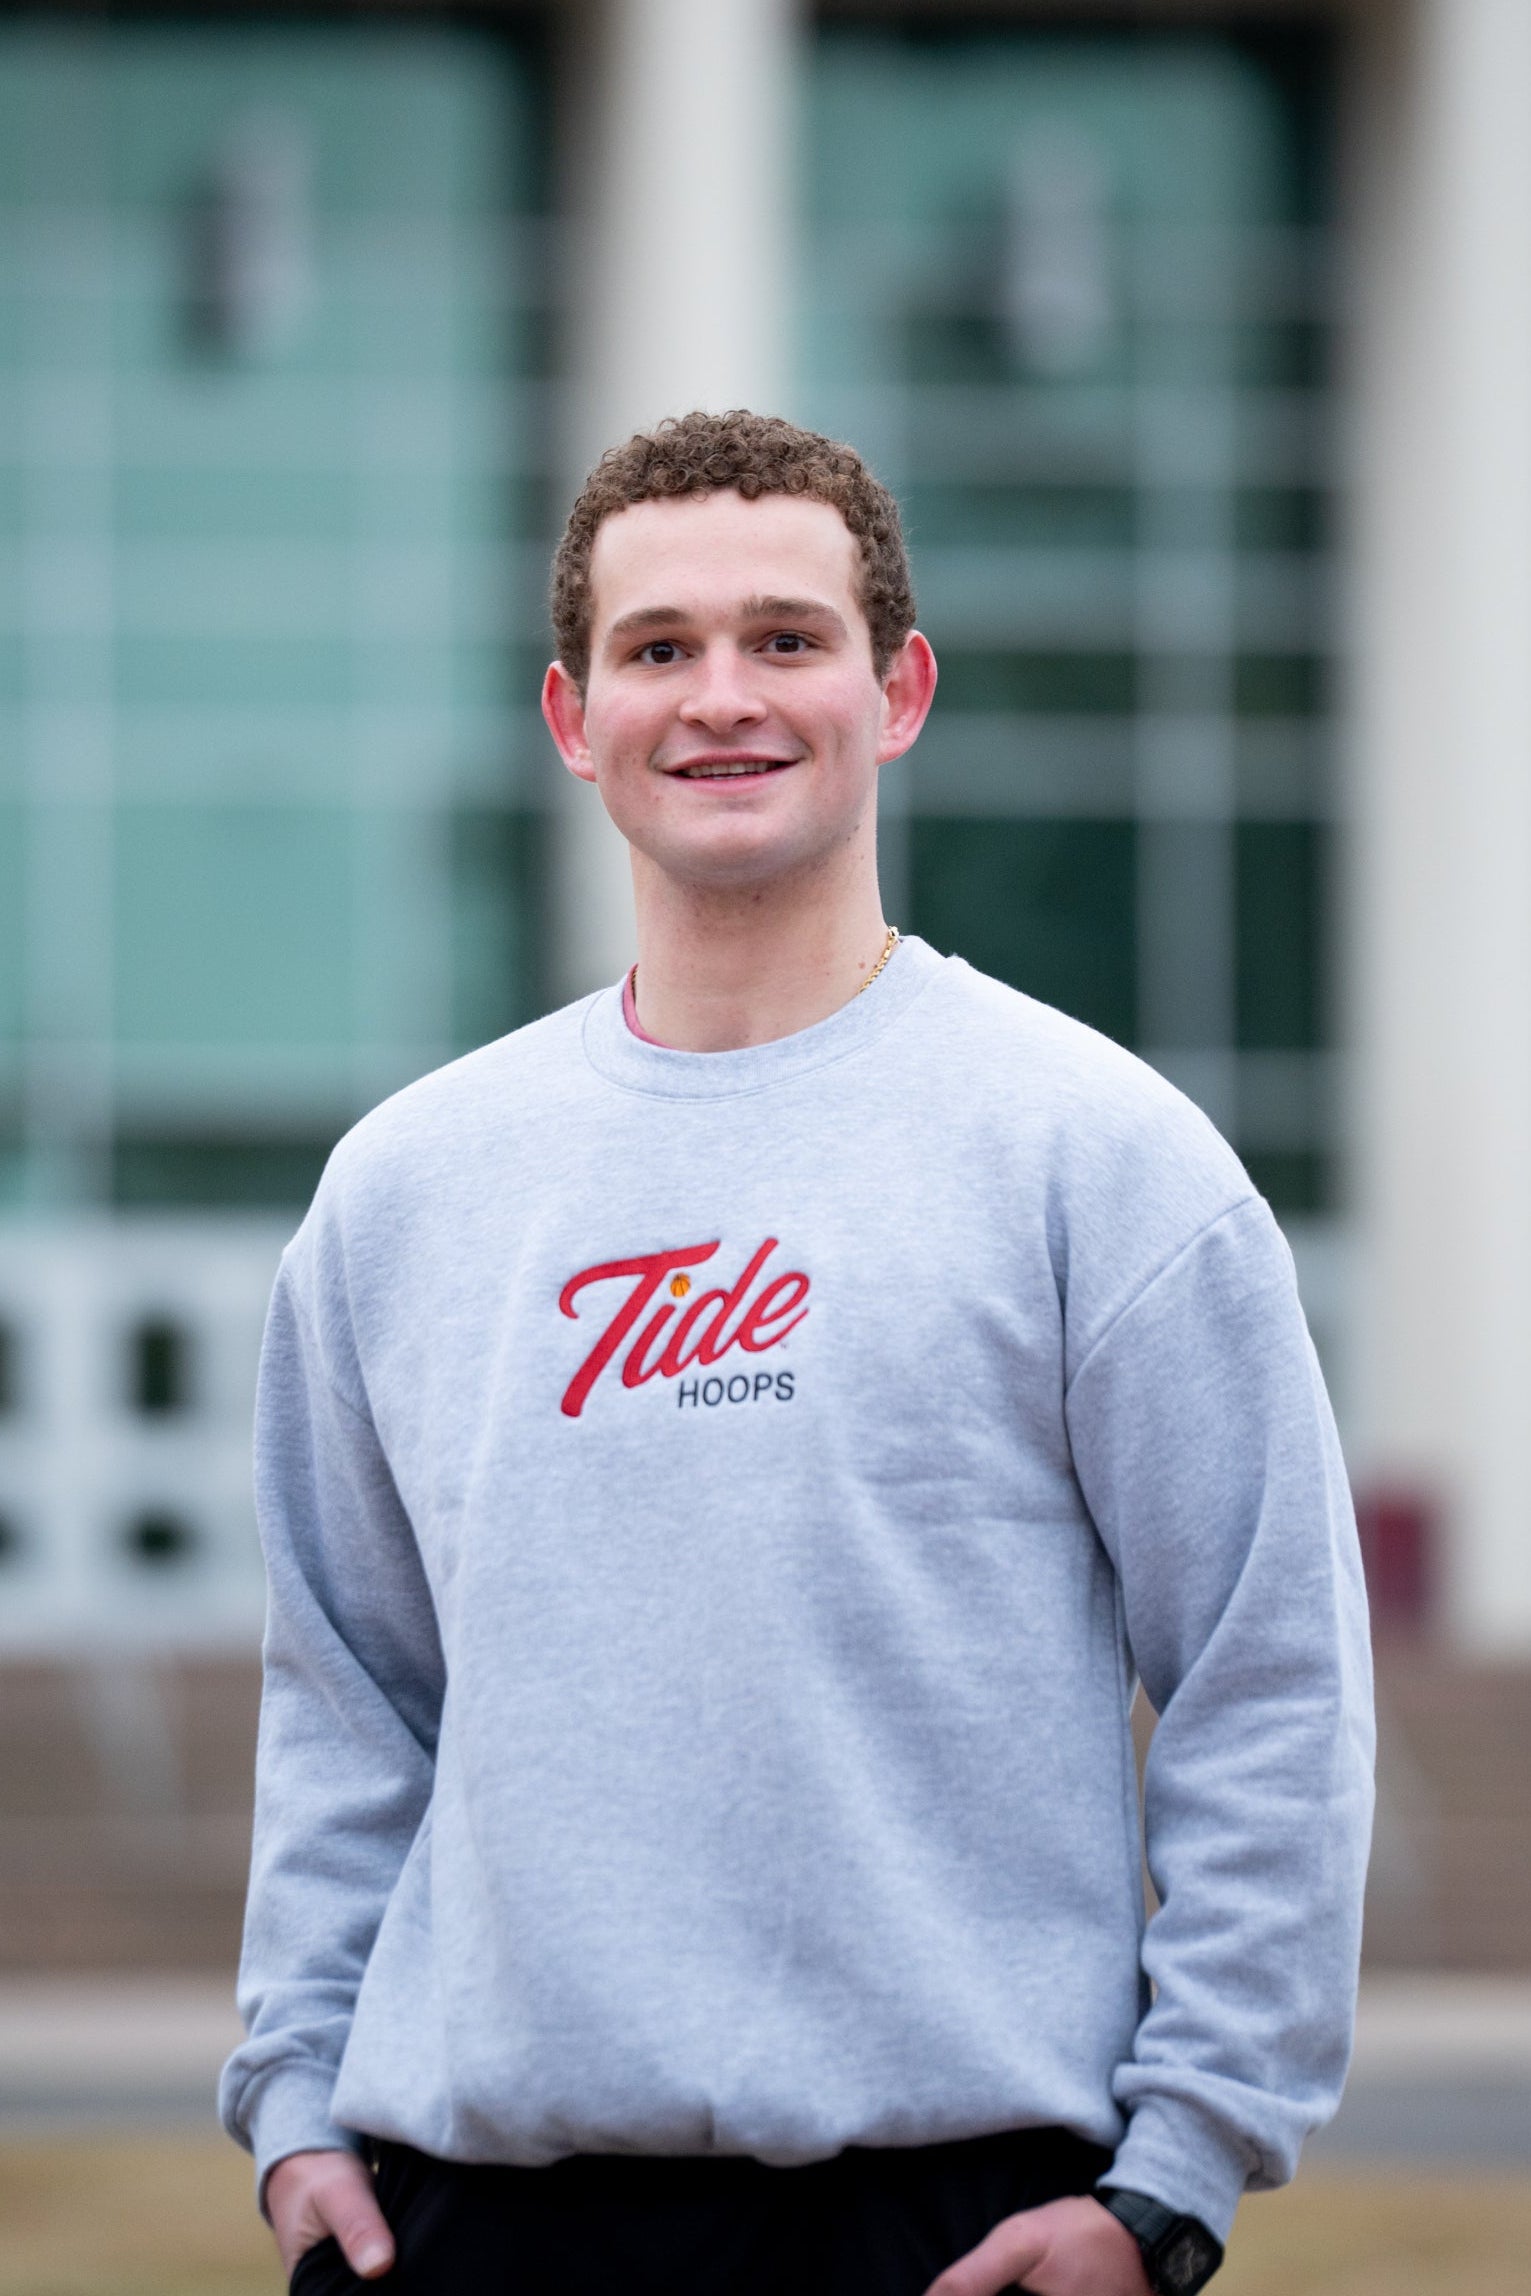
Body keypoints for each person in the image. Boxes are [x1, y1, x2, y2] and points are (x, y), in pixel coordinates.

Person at [220, 410, 1374, 2296]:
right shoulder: (407, 1190)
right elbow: (348, 1698)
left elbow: (1276, 1683)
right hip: (474, 2214)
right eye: (657, 649)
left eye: (786, 639)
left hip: (957, 2222)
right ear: (570, 716)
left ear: (897, 687)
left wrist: (1177, 2179)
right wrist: (294, 2109)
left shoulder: (1097, 1156)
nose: (720, 699)